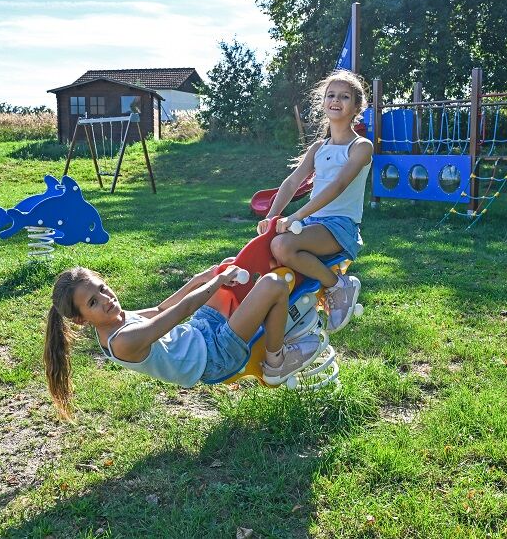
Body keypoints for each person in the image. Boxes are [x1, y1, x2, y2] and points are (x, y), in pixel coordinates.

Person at [44, 264, 323, 419]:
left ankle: (263, 316)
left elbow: (160, 309)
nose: (106, 299)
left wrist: (203, 278)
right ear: (81, 320)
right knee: (273, 283)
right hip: (215, 357)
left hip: (200, 332)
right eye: (93, 302)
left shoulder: (115, 319)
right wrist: (216, 281)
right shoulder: (123, 341)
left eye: (102, 289)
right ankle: (276, 361)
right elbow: (181, 310)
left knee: (228, 285)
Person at [258, 70, 373, 334]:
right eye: (331, 95)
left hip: (340, 225)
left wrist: (296, 216)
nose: (336, 100)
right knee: (271, 246)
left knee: (282, 245)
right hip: (313, 222)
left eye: (344, 96)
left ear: (357, 107)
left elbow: (338, 185)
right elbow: (292, 183)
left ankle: (338, 286)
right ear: (323, 103)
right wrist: (271, 216)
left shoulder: (361, 146)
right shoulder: (318, 147)